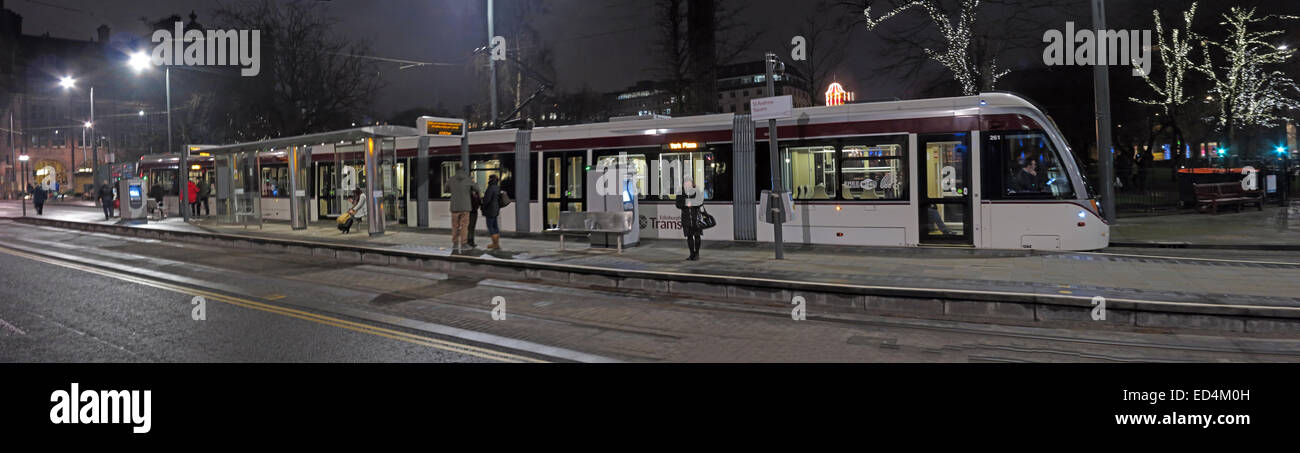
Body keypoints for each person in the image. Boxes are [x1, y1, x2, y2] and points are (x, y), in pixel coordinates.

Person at [675, 180, 704, 261]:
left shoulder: (697, 191)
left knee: (697, 235)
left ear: (692, 184)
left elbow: (700, 202)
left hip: (696, 218)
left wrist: (693, 203)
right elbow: (678, 204)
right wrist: (685, 204)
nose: (687, 184)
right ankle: (692, 254)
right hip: (686, 218)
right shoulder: (680, 192)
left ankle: (697, 253)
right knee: (689, 236)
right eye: (686, 183)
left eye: (689, 183)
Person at [447, 169, 475, 252]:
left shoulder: (451, 179)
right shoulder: (468, 180)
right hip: (465, 208)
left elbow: (446, 189)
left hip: (455, 207)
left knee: (455, 226)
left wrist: (454, 191)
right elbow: (476, 188)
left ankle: (455, 244)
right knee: (464, 226)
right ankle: (463, 244)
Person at [481, 174, 504, 250]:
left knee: (490, 226)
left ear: (491, 180)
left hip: (490, 210)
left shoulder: (490, 188)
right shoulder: (497, 187)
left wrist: (482, 206)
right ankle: (496, 243)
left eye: (489, 179)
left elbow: (487, 200)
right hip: (496, 209)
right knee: (495, 226)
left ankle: (495, 244)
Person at [467, 182, 482, 248]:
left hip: (472, 211)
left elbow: (479, 202)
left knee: (471, 228)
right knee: (470, 228)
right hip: (471, 212)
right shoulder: (471, 194)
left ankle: (470, 241)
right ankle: (469, 241)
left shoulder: (474, 194)